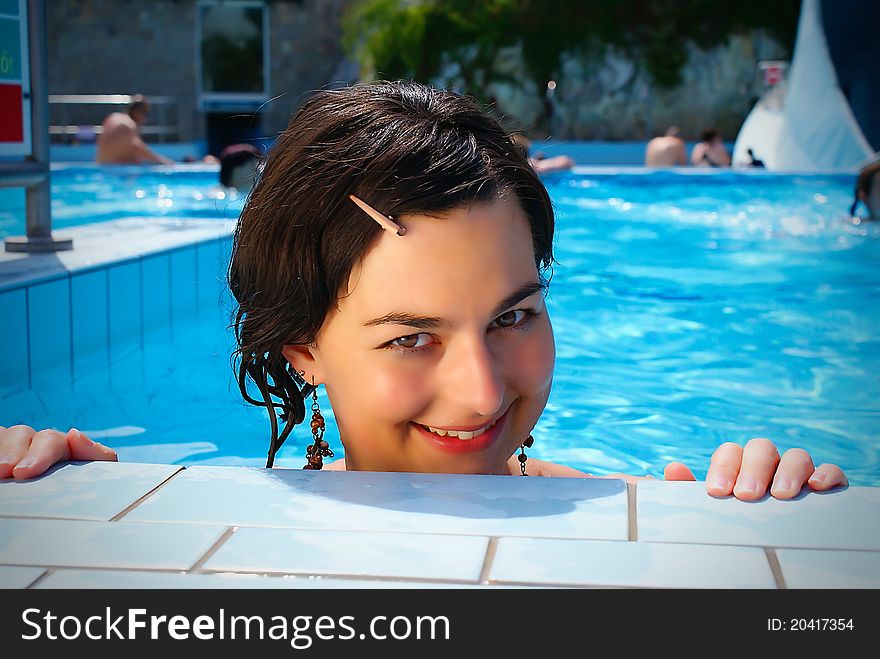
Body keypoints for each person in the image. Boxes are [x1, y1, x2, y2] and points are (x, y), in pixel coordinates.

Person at [0, 81, 847, 500]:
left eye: (515, 314)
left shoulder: (622, 509)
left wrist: (756, 503)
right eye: (412, 335)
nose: (483, 393)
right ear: (302, 348)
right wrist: (74, 492)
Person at [95, 95, 174, 165]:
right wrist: (161, 161)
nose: (145, 119)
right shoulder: (129, 125)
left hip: (101, 168)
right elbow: (136, 146)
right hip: (116, 173)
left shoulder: (112, 117)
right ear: (137, 113)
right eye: (146, 114)